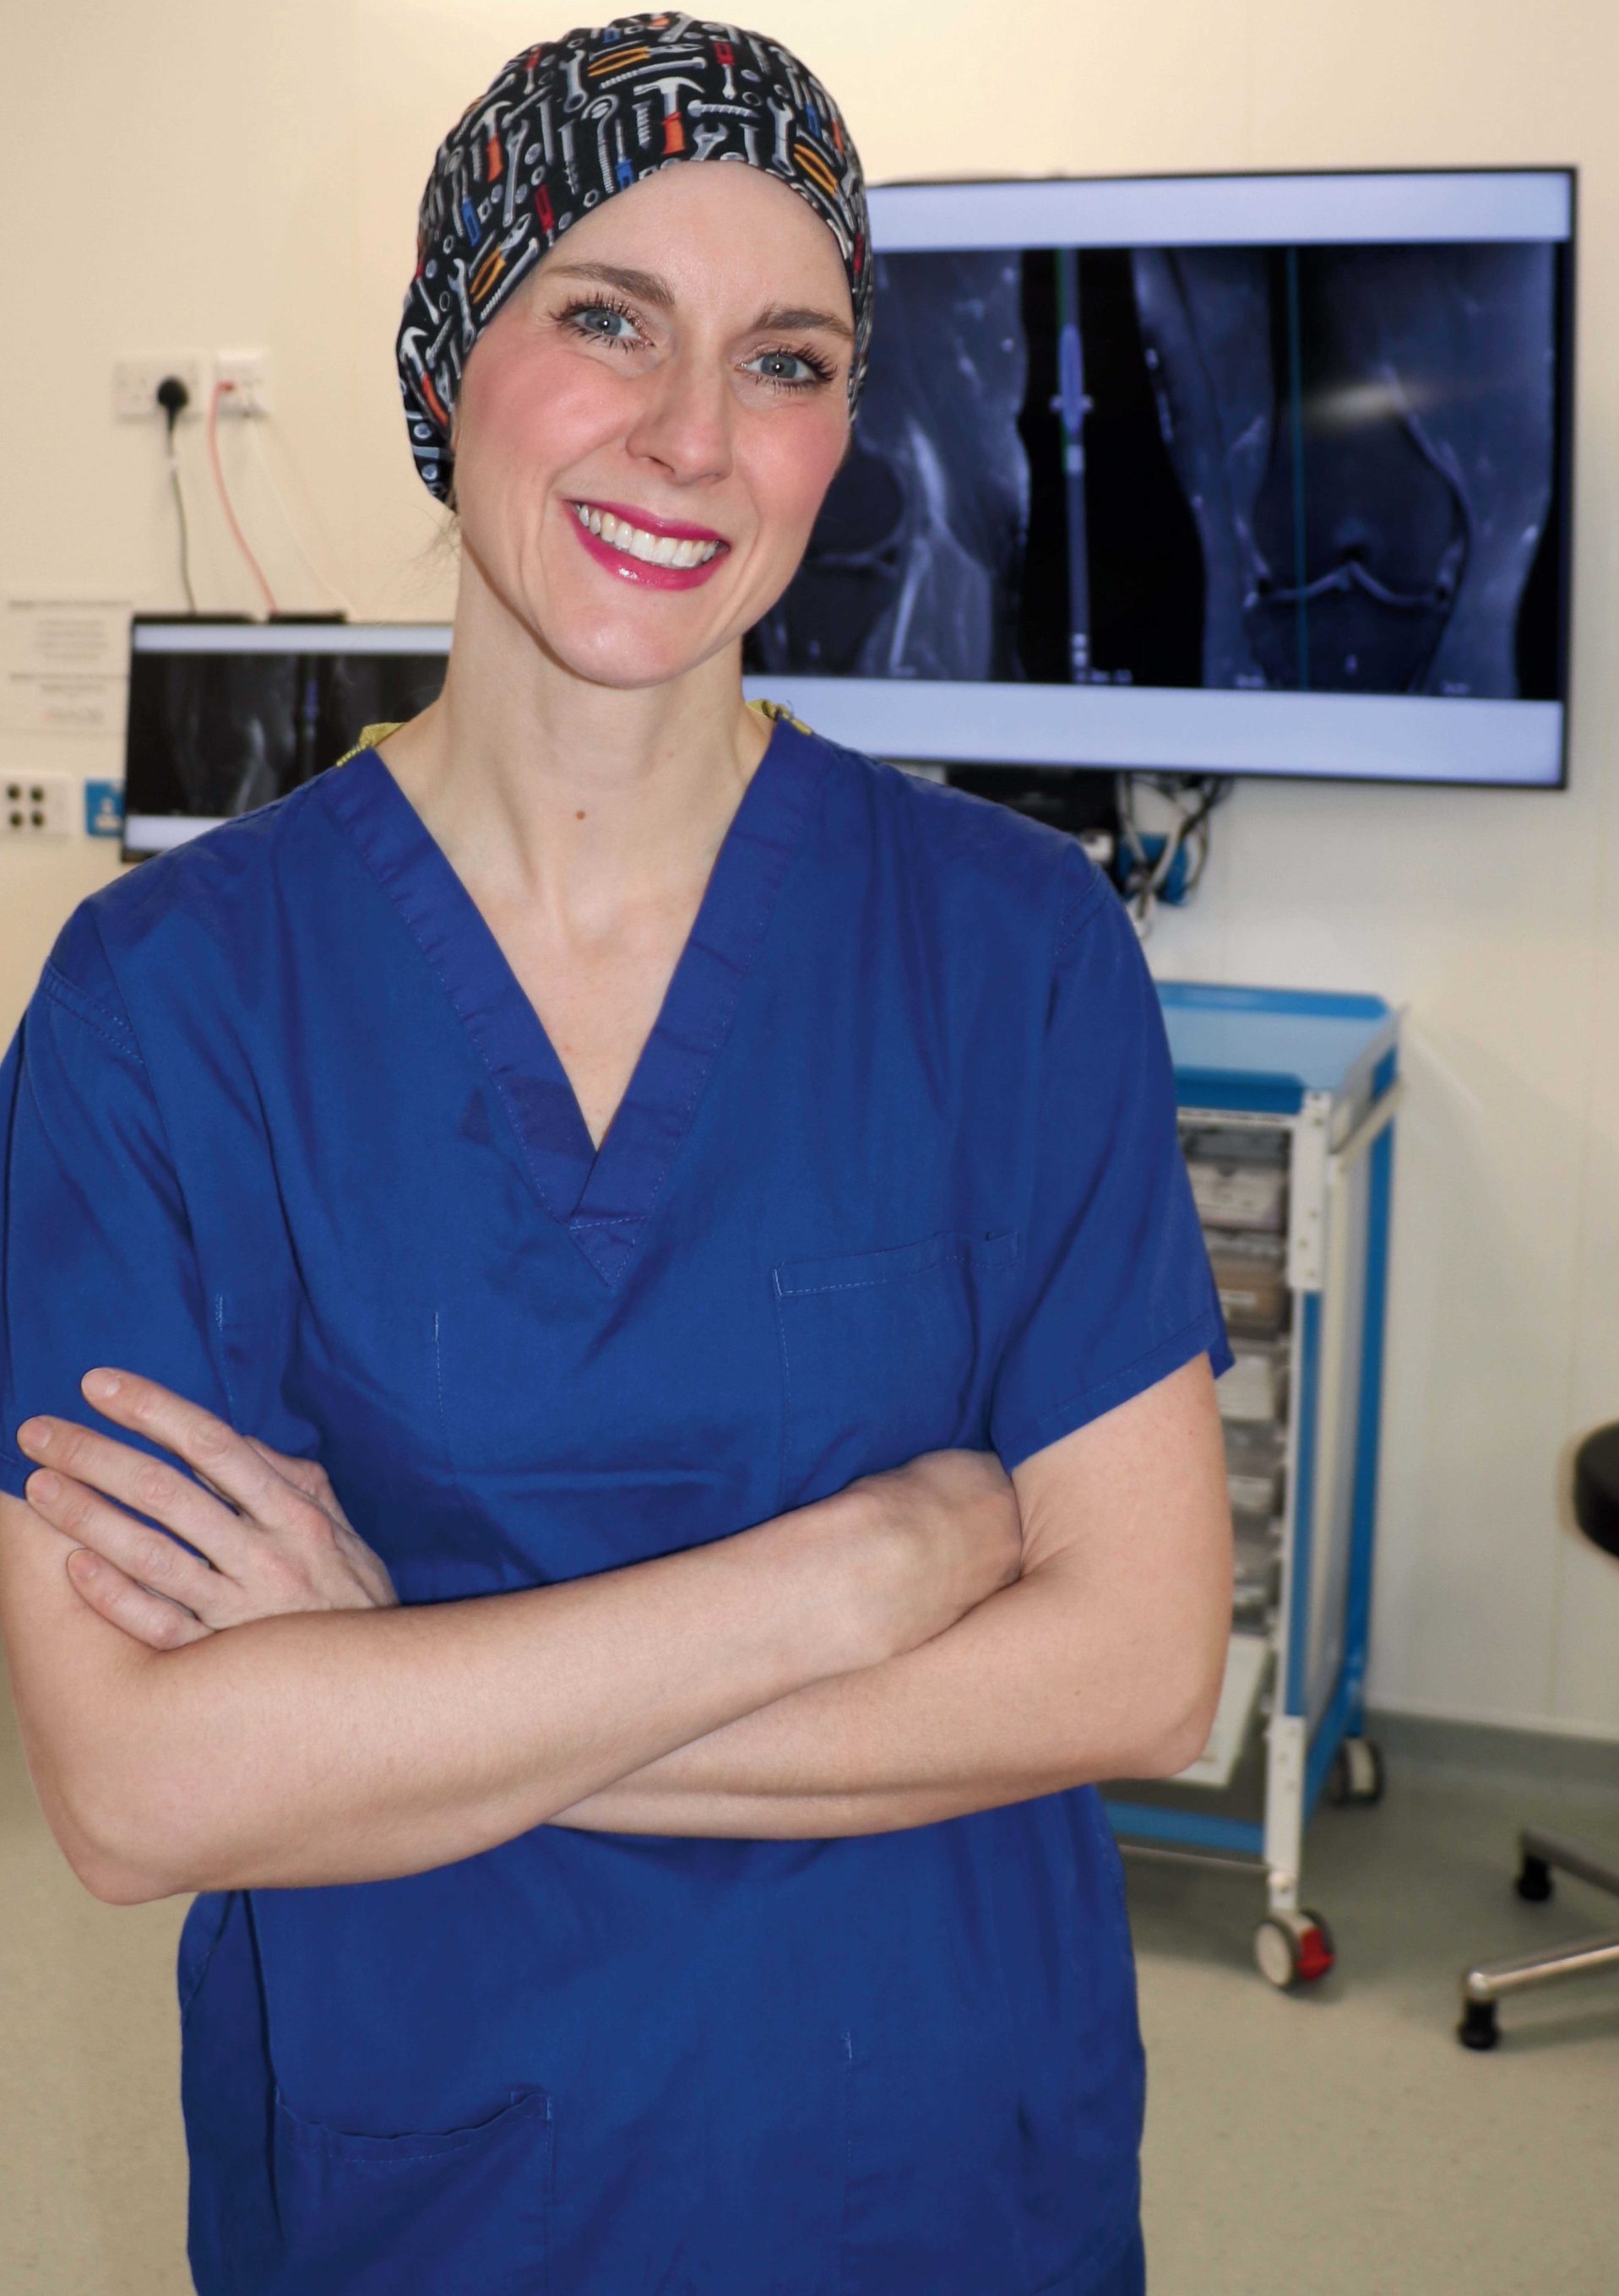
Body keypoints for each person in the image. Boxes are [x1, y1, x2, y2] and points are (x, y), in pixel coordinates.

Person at [0, 18, 1234, 2294]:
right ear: (447, 352)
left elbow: (1147, 1668)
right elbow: (138, 1788)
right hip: (432, 2199)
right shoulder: (165, 1012)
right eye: (606, 318)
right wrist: (857, 1572)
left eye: (787, 359)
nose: (692, 434)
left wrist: (398, 1684)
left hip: (934, 2183)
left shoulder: (1016, 954)